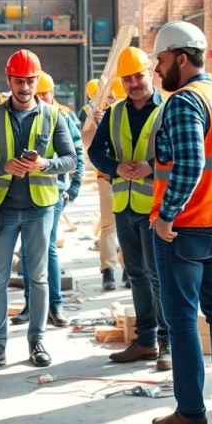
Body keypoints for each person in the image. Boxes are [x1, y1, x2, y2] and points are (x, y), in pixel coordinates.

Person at [150, 21, 212, 424]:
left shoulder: (185, 102)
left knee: (182, 319)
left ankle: (190, 412)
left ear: (182, 58)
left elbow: (189, 166)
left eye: (161, 60)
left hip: (186, 228)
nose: (157, 69)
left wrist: (166, 216)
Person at [0, 50, 77, 371]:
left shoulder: (54, 116)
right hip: (1, 210)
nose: (25, 87)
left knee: (39, 279)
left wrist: (44, 164)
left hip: (40, 209)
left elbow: (70, 159)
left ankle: (37, 341)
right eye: (19, 81)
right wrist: (3, 166)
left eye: (30, 81)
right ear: (9, 81)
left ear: (37, 80)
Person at [89, 47, 171, 372]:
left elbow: (179, 153)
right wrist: (115, 169)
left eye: (138, 76)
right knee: (136, 275)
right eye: (128, 78)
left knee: (158, 277)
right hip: (124, 205)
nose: (134, 83)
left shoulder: (168, 110)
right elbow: (95, 152)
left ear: (149, 73)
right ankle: (145, 340)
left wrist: (151, 167)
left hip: (156, 207)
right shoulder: (114, 113)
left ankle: (166, 342)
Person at [10, 72, 84, 327]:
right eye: (37, 93)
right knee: (29, 253)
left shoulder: (60, 117)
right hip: (25, 194)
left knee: (46, 249)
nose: (39, 98)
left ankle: (55, 305)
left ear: (52, 93)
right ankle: (32, 304)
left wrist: (73, 187)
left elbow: (76, 154)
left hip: (53, 192)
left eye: (44, 94)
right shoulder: (23, 116)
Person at [82, 77, 128, 290]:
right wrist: (96, 124)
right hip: (107, 176)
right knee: (109, 225)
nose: (111, 101)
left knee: (131, 225)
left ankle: (129, 268)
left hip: (130, 177)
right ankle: (108, 270)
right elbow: (88, 144)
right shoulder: (96, 115)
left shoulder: (128, 113)